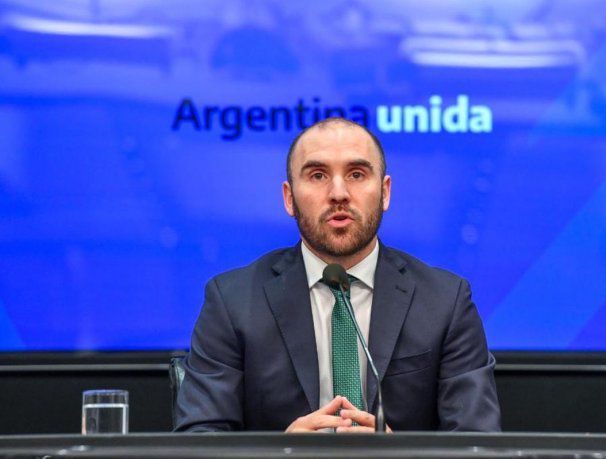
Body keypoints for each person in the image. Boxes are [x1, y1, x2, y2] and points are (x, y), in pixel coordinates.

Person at [174, 118, 501, 432]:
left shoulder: (445, 301)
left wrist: (400, 454)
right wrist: (278, 454)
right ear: (289, 198)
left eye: (357, 174)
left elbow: (477, 440)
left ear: (385, 192)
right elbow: (199, 437)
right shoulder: (232, 302)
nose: (339, 193)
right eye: (317, 175)